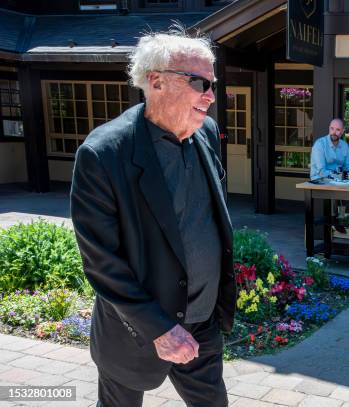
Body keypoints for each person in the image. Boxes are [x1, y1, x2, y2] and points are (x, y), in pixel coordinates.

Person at [70, 27, 235, 407]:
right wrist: (160, 329)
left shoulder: (206, 132)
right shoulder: (104, 153)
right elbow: (101, 262)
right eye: (199, 82)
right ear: (156, 80)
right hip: (137, 332)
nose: (210, 95)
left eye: (212, 83)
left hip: (203, 321)